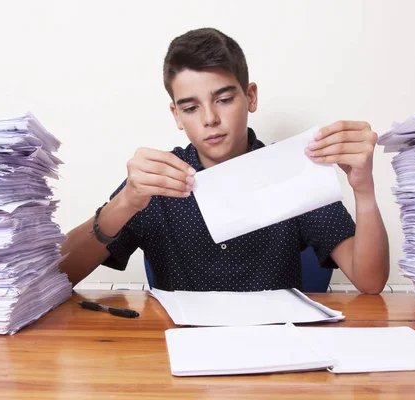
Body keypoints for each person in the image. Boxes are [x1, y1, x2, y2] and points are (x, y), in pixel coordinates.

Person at [59, 27, 389, 293]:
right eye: (190, 107)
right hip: (178, 357)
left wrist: (364, 191)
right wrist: (125, 202)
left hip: (279, 352)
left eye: (224, 99)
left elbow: (369, 281)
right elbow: (57, 279)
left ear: (251, 97)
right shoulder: (156, 181)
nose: (210, 118)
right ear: (176, 115)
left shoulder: (292, 170)